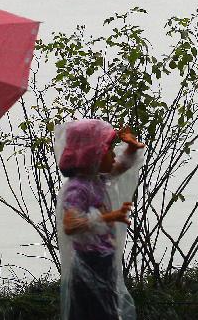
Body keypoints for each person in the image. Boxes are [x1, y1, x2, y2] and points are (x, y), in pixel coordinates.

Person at [55, 120, 145, 320]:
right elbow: (71, 225)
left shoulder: (96, 179)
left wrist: (131, 148)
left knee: (107, 311)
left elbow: (120, 167)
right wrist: (108, 217)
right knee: (93, 312)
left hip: (103, 261)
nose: (113, 155)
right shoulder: (77, 188)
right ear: (92, 154)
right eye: (108, 150)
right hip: (88, 264)